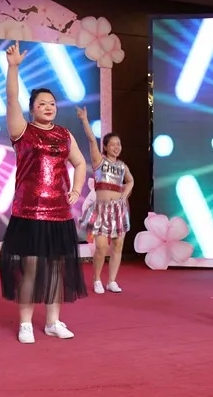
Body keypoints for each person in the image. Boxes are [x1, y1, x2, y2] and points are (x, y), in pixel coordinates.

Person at [0, 41, 88, 344]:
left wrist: (75, 190)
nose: (48, 107)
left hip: (59, 214)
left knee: (55, 268)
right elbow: (11, 99)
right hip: (29, 212)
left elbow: (80, 163)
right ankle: (25, 323)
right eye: (42, 104)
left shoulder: (64, 134)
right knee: (31, 267)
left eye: (52, 103)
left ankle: (53, 321)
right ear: (32, 109)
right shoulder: (22, 131)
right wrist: (13, 68)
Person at [75, 107, 134, 294]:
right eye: (113, 144)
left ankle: (112, 281)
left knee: (118, 245)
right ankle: (97, 279)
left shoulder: (122, 166)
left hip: (118, 210)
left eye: (119, 144)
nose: (117, 147)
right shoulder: (99, 161)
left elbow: (131, 181)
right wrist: (84, 120)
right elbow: (92, 140)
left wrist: (124, 195)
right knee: (101, 247)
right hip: (101, 209)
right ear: (106, 147)